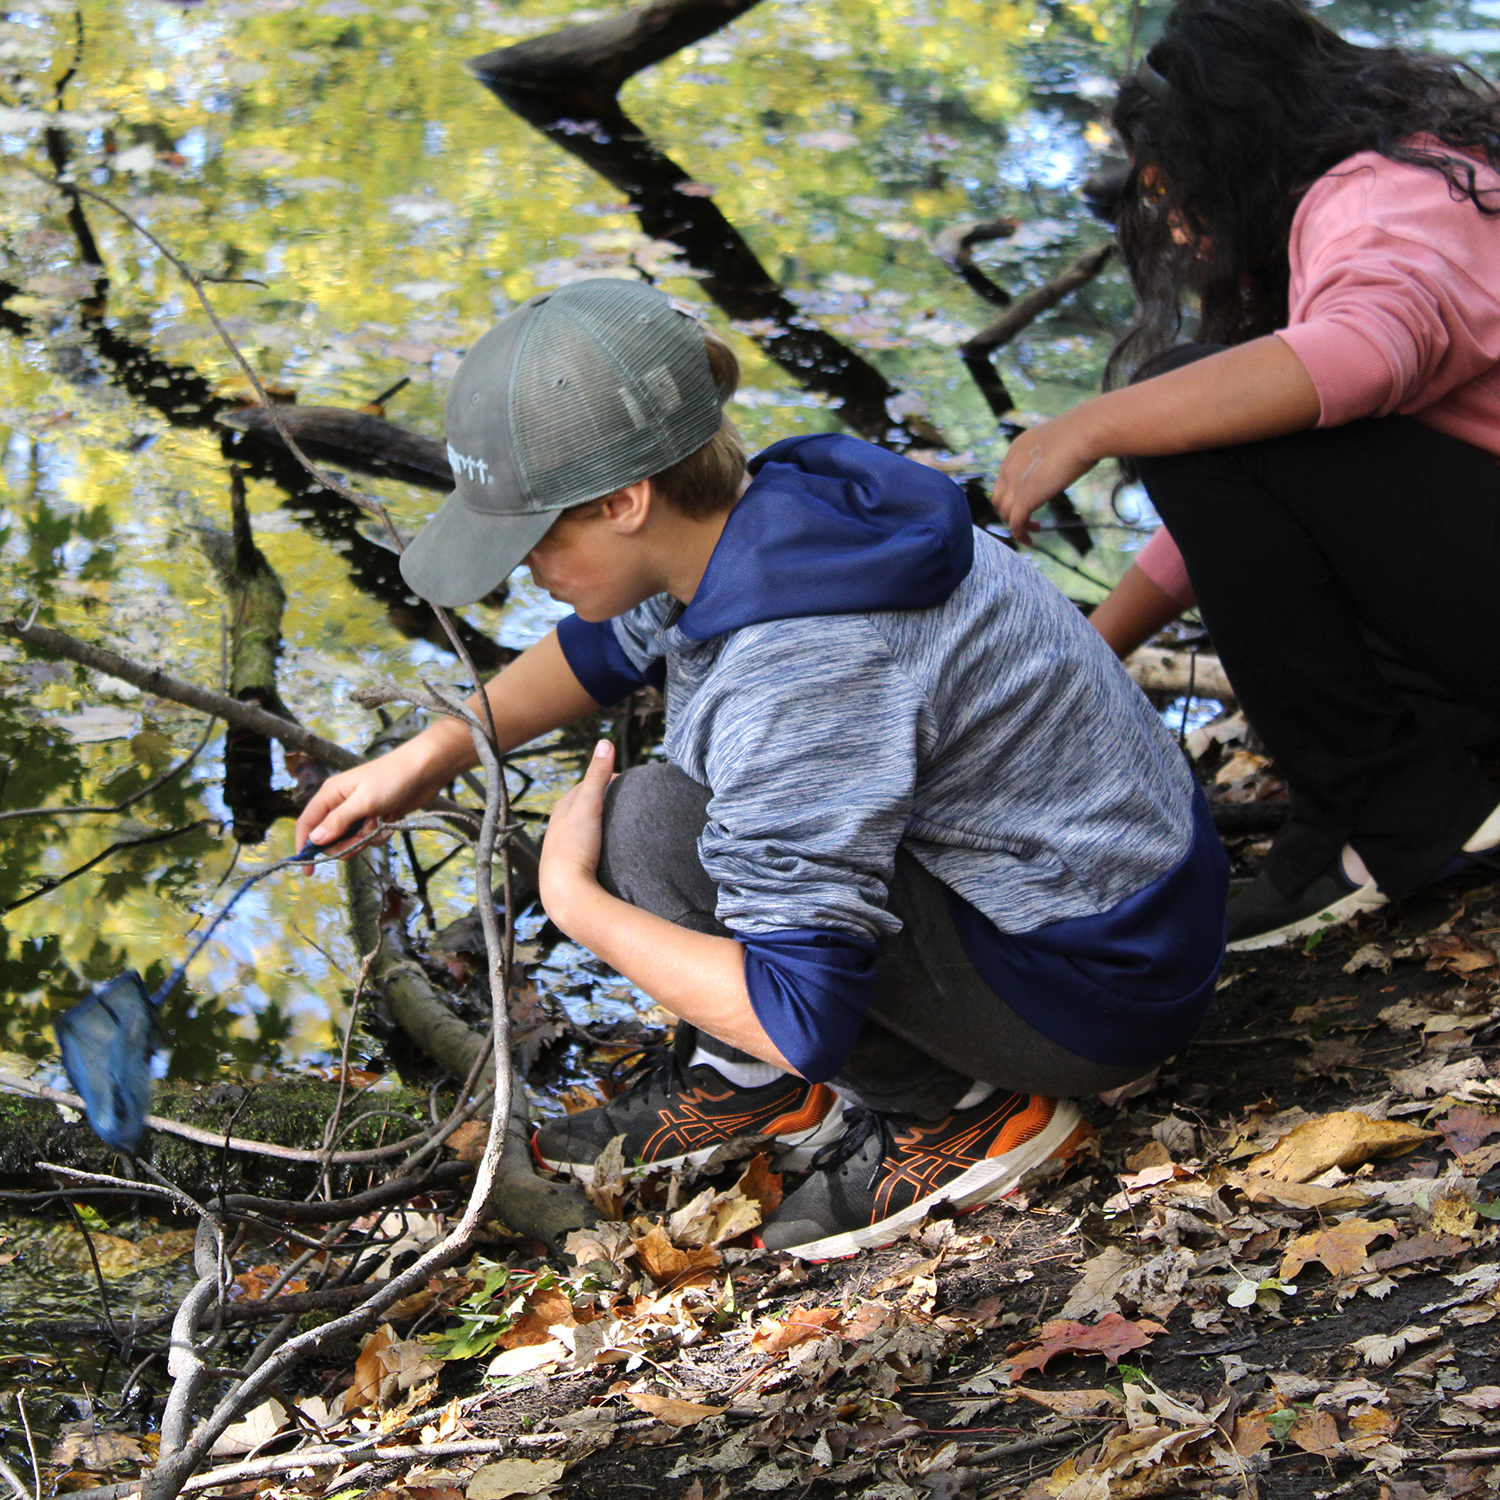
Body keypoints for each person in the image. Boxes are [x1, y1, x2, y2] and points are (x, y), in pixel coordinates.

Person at [296, 277, 1227, 1259]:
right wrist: (433, 752)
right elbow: (595, 651)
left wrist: (572, 902)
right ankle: (755, 1089)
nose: (526, 573)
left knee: (648, 840)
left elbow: (803, 1011)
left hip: (1094, 993)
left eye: (534, 542)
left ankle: (962, 1118)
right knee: (656, 817)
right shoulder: (776, 513)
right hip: (1127, 908)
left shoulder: (801, 663)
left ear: (623, 499)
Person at [994, 0, 1500, 953]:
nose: (1179, 232)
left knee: (1186, 391)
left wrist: (1094, 423)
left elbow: (1368, 350)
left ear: (1234, 155)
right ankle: (1416, 790)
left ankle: (1396, 816)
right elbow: (1260, 509)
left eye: (1175, 192)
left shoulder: (1381, 200)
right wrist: (1086, 660)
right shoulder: (1418, 170)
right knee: (1208, 410)